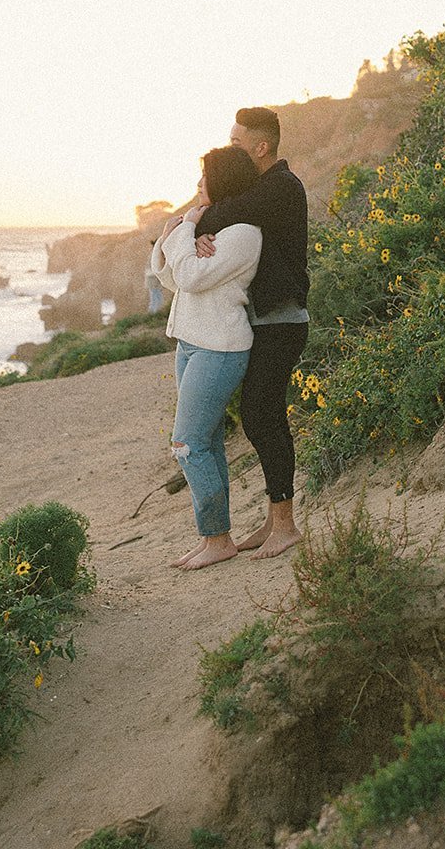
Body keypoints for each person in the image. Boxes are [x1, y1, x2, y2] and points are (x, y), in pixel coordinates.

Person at [194, 107, 309, 559]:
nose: (231, 150)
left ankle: (286, 525)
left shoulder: (280, 186)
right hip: (267, 321)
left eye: (238, 143)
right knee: (261, 415)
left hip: (281, 321)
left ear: (261, 147)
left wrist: (200, 223)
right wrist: (204, 226)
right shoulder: (264, 187)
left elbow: (223, 211)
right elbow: (223, 213)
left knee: (264, 416)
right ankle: (273, 520)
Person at [150, 145, 262, 570]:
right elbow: (169, 278)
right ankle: (216, 537)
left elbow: (192, 278)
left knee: (187, 444)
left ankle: (217, 539)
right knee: (207, 442)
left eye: (203, 178)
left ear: (222, 181)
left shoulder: (242, 234)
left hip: (221, 347)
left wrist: (186, 232)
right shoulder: (207, 230)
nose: (197, 185)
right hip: (191, 344)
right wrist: (172, 235)